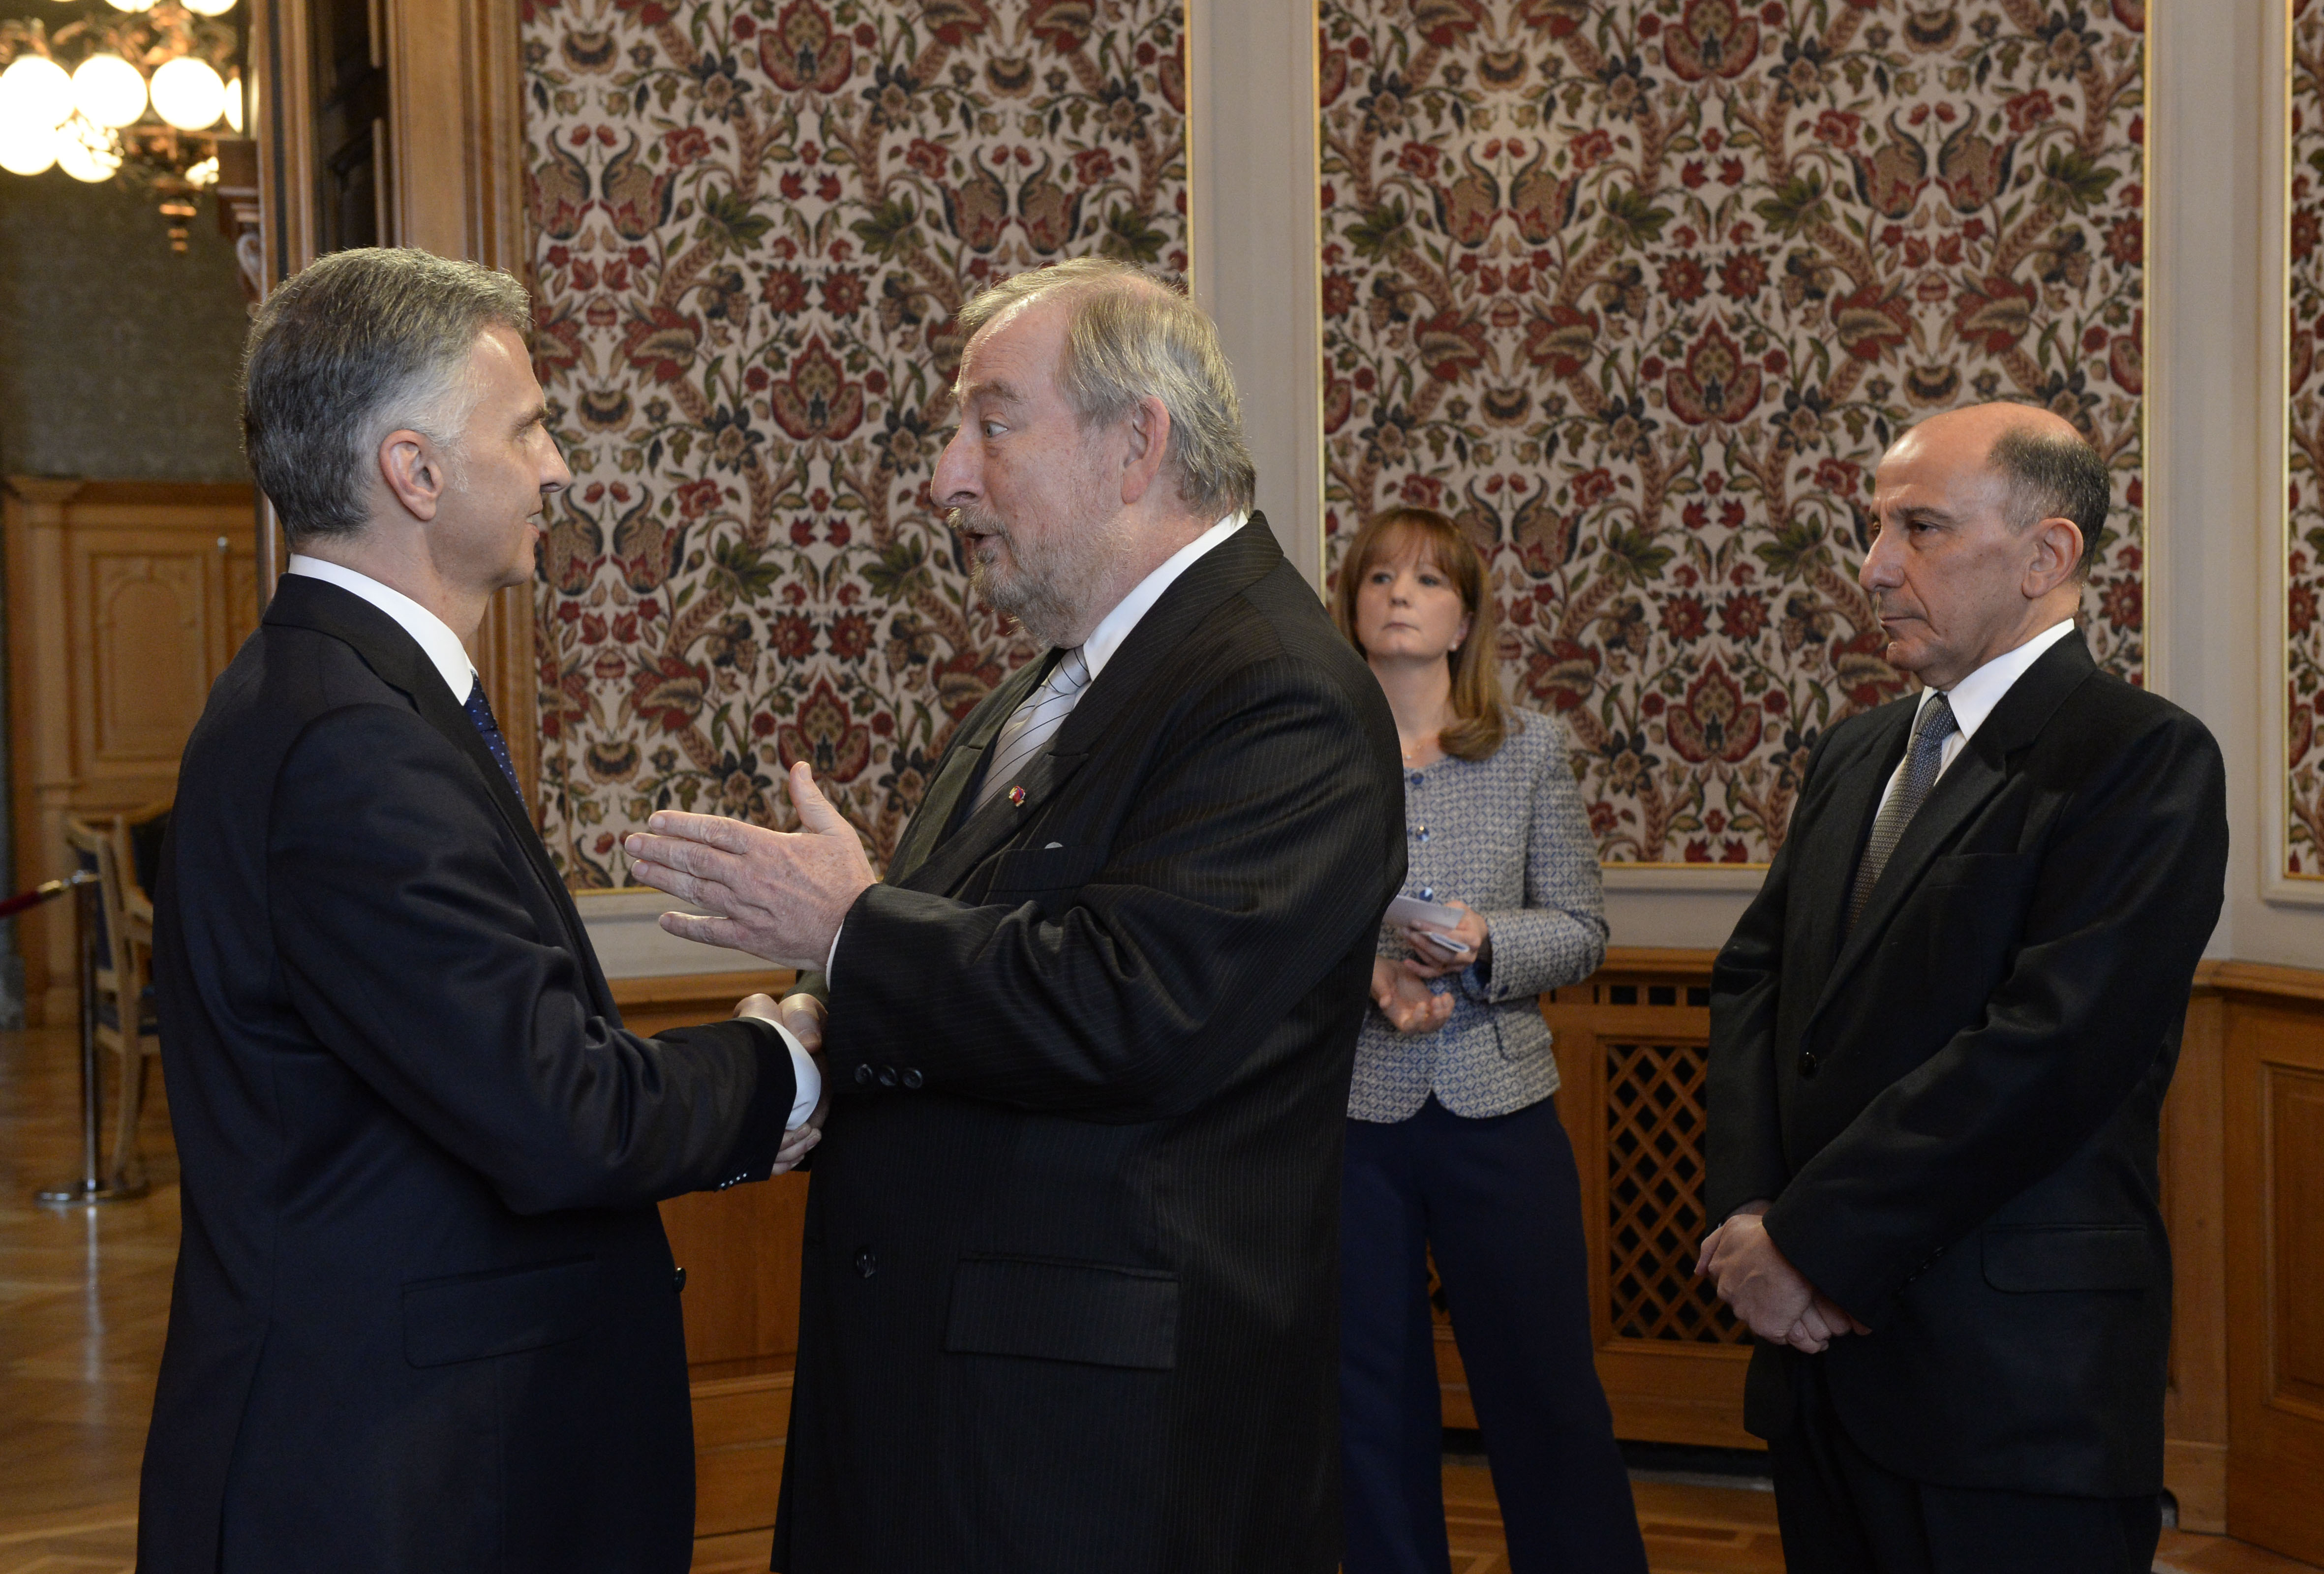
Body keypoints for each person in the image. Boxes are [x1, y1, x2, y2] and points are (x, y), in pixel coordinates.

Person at [620, 257, 1406, 1573]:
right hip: (958, 1406)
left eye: (990, 423)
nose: (945, 477)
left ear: (1134, 443)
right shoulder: (1052, 688)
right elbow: (986, 963)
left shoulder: (1277, 691)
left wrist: (851, 934)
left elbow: (1135, 1004)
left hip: (1091, 1447)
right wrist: (827, 1010)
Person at [141, 247, 823, 1574]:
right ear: (417, 473)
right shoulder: (352, 744)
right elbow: (564, 1119)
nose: (558, 467)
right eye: (528, 426)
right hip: (396, 1484)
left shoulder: (343, 700)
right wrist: (784, 1061)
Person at [1699, 402, 2229, 1574]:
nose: (1874, 567)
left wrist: (1810, 1243)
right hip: (1816, 1367)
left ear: (2047, 557)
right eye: (1876, 527)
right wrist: (1749, 1230)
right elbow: (1756, 987)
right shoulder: (1855, 750)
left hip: (2008, 1395)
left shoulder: (2140, 758)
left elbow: (2048, 1050)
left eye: (1920, 530)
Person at [1330, 506, 1647, 1574]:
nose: (1399, 595)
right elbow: (1269, 929)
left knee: (1544, 1388)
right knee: (1365, 1398)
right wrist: (1365, 967)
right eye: (1378, 578)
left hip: (1496, 1107)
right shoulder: (1314, 758)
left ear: (1465, 614)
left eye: (1425, 579)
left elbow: (1583, 929)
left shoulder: (1528, 752)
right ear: (1351, 607)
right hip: (1351, 1118)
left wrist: (1482, 940)